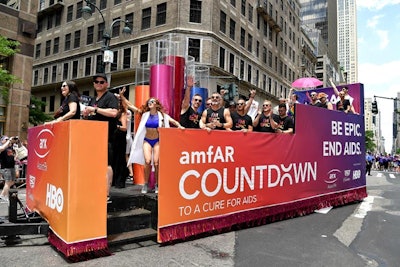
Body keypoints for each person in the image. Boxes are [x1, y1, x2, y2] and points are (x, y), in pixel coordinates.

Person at [120, 90, 184, 194]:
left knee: (156, 162)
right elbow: (131, 105)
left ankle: (157, 184)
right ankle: (145, 184)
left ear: (156, 104)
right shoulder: (145, 114)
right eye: (149, 101)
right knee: (148, 161)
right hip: (147, 140)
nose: (150, 102)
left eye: (152, 101)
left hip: (157, 140)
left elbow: (173, 121)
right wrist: (122, 96)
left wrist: (180, 126)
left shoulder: (162, 116)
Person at [82, 73, 118, 202]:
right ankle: (95, 189)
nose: (98, 84)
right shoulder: (93, 100)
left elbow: (114, 113)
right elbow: (92, 115)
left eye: (101, 82)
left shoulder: (110, 97)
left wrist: (95, 110)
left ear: (106, 84)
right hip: (93, 136)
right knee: (95, 164)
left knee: (107, 164)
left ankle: (106, 193)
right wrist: (86, 114)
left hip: (107, 136)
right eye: (96, 82)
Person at [112, 95, 129, 188]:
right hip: (114, 138)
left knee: (120, 159)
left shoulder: (123, 113)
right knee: (113, 159)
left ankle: (120, 180)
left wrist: (116, 126)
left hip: (120, 139)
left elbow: (124, 128)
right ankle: (114, 180)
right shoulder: (113, 112)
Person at [0, 136, 18, 203]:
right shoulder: (2, 147)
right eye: (6, 139)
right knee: (8, 182)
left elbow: (15, 154)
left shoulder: (10, 147)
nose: (8, 140)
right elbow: (2, 148)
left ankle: (5, 194)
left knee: (12, 181)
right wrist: (9, 140)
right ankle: (2, 195)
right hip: (6, 168)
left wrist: (16, 141)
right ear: (2, 141)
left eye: (8, 139)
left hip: (12, 167)